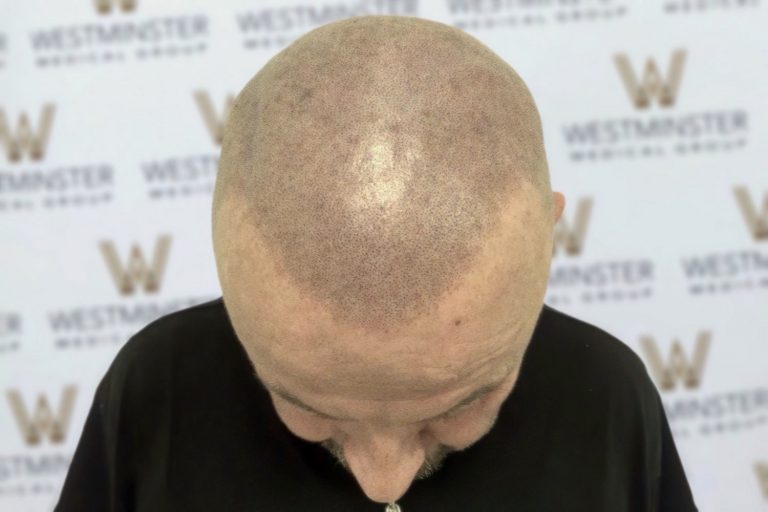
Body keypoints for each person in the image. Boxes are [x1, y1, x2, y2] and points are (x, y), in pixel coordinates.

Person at [55, 14, 698, 512]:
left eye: (458, 409)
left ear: (546, 241)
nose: (380, 478)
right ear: (231, 261)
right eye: (308, 408)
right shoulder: (159, 391)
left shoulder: (606, 397)